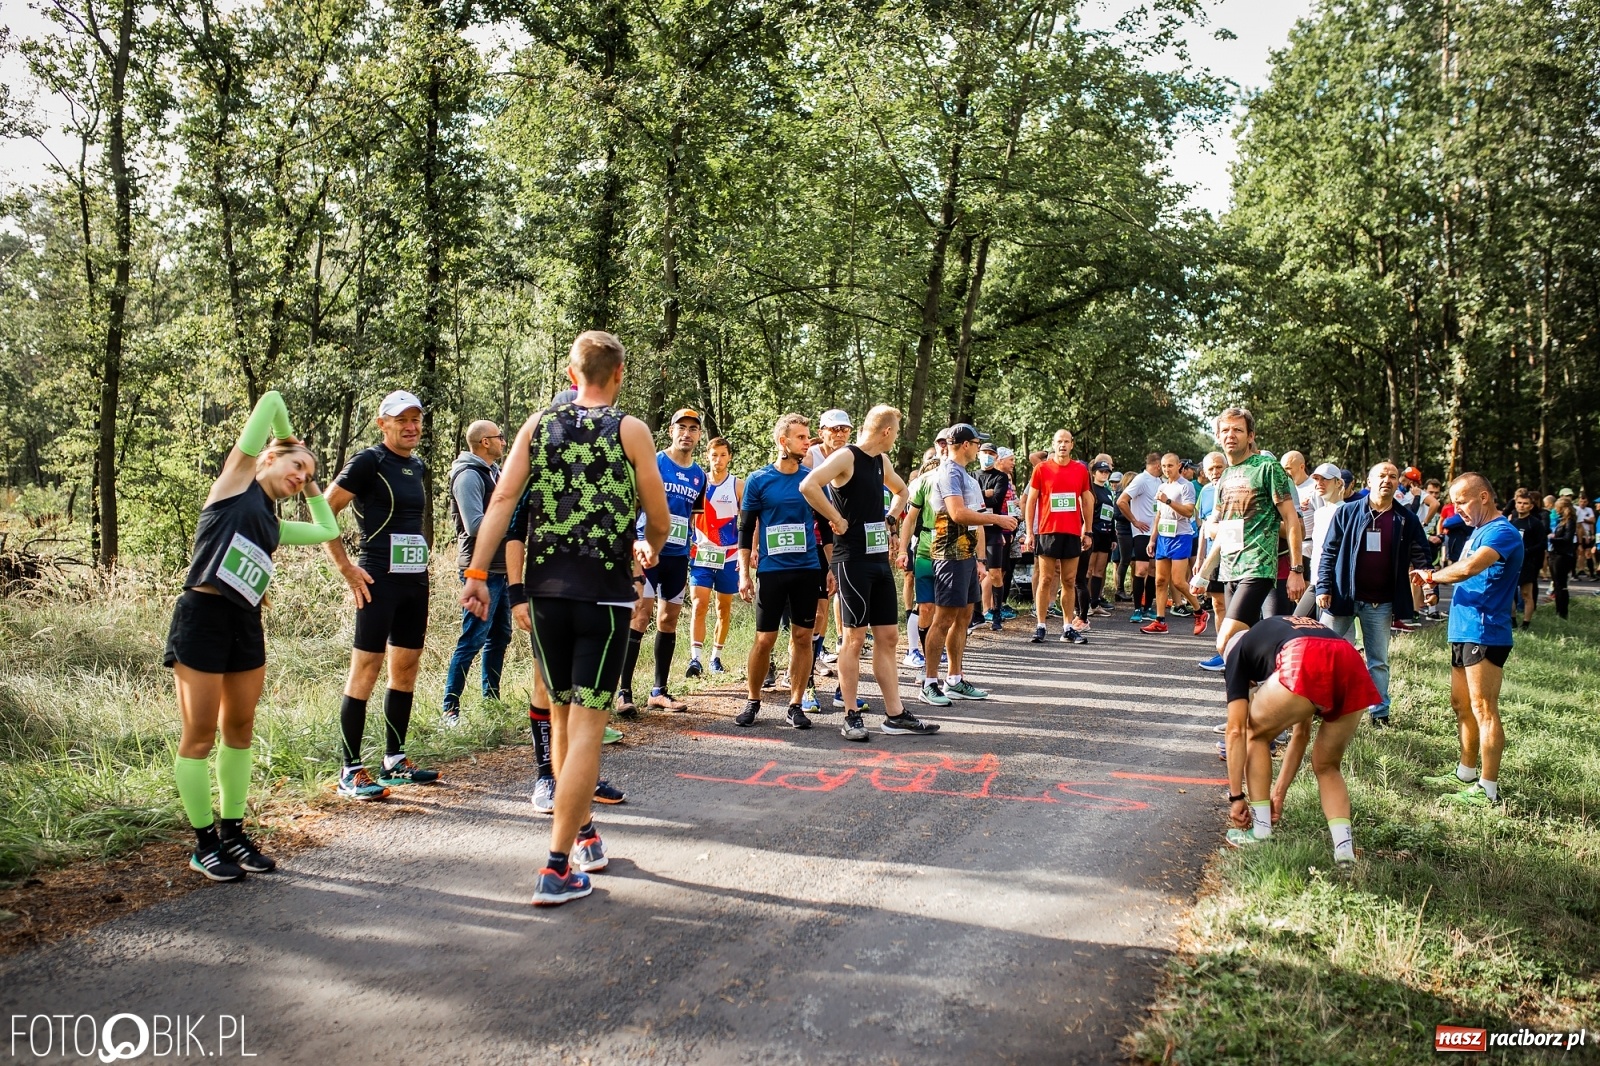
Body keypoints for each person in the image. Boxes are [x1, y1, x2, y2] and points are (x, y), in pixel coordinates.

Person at [462, 330, 670, 906]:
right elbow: (658, 515)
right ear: (619, 373)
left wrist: (478, 577)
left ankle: (582, 836)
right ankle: (556, 866)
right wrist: (647, 546)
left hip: (546, 594)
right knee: (588, 727)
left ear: (571, 373)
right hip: (603, 597)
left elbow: (503, 504)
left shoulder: (537, 425)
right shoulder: (630, 429)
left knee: (560, 713)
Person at [167, 392, 340, 880]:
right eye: (295, 467)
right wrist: (289, 439)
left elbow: (327, 528)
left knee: (239, 729)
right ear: (267, 458)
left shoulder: (274, 523)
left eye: (308, 473)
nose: (301, 475)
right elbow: (272, 400)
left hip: (245, 624)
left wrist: (308, 485)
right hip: (202, 616)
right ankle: (203, 845)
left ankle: (232, 834)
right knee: (200, 734)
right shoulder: (233, 485)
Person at [324, 390, 440, 800]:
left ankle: (394, 760)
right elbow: (325, 508)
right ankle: (350, 769)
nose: (411, 427)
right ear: (383, 423)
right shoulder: (368, 460)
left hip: (413, 581)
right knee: (366, 671)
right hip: (376, 579)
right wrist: (345, 567)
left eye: (416, 420)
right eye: (402, 420)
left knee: (405, 670)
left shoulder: (417, 465)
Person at [802, 405, 937, 739]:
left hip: (878, 560)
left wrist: (890, 518)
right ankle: (850, 715)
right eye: (897, 433)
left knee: (889, 637)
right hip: (852, 560)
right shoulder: (847, 456)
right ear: (887, 432)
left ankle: (895, 714)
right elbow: (809, 485)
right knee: (854, 637)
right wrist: (836, 517)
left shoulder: (881, 462)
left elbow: (903, 492)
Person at [1220, 615, 1382, 864]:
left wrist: (1236, 797)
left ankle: (1261, 831)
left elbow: (1235, 731)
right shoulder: (1275, 634)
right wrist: (1279, 794)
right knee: (1327, 766)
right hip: (1349, 660)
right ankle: (1344, 853)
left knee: (1256, 733)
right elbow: (1301, 733)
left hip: (1302, 656)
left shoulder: (1236, 654)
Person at [1412, 473, 1523, 807]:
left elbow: (1469, 568)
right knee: (1461, 705)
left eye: (1462, 500)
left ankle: (1488, 789)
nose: (1456, 508)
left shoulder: (1503, 532)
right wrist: (1434, 591)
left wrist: (1432, 575)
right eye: (1454, 501)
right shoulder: (1477, 531)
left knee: (1484, 708)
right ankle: (1465, 773)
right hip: (1463, 629)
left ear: (1484, 497)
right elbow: (1460, 574)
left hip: (1486, 630)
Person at [1315, 462, 1432, 728]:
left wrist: (1429, 584)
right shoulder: (1348, 512)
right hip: (1342, 596)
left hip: (1381, 603)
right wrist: (1324, 587)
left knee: (1378, 660)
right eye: (1381, 475)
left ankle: (1379, 713)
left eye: (1392, 476)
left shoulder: (1406, 519)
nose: (1387, 480)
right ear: (1369, 481)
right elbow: (1328, 553)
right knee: (1325, 652)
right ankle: (1320, 704)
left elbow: (1421, 554)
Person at [735, 414, 829, 729]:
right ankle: (753, 700)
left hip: (807, 568)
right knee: (765, 639)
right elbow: (745, 528)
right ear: (782, 442)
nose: (807, 442)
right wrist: (743, 573)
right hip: (772, 572)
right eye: (801, 437)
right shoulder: (758, 480)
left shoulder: (812, 480)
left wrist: (832, 568)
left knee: (803, 637)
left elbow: (827, 529)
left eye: (807, 437)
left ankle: (796, 703)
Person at [617, 409, 707, 715]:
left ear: (698, 435)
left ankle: (659, 692)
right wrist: (632, 550)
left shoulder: (699, 475)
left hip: (677, 558)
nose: (687, 433)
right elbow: (633, 507)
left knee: (668, 621)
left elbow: (693, 518)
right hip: (647, 555)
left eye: (693, 429)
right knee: (639, 618)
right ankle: (624, 693)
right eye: (681, 427)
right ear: (671, 431)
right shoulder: (654, 462)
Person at [920, 424, 1017, 705]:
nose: (980, 448)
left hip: (966, 556)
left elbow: (975, 515)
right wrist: (998, 519)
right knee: (943, 620)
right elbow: (958, 513)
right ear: (964, 445)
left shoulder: (966, 475)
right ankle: (929, 682)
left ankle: (954, 679)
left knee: (963, 618)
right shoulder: (950, 472)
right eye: (977, 443)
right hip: (948, 555)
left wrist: (980, 558)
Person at [1211, 408, 1305, 657]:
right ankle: (1253, 695)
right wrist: (1202, 570)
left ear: (1250, 436)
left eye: (1238, 430)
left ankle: (1262, 693)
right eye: (1225, 430)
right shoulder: (1225, 476)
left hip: (1259, 567)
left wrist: (1297, 570)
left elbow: (1292, 519)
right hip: (1230, 568)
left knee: (1225, 641)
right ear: (1218, 437)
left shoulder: (1267, 467)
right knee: (1241, 648)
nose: (1231, 435)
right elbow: (1219, 526)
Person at [441, 420, 511, 727]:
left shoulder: (492, 472)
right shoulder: (469, 475)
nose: (503, 442)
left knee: (500, 636)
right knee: (473, 639)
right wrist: (513, 526)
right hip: (479, 570)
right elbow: (475, 526)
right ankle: (450, 709)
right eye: (499, 437)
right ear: (485, 442)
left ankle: (491, 701)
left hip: (501, 569)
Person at [1022, 430, 1092, 644]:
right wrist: (1029, 532)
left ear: (1072, 445)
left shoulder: (1080, 470)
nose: (1063, 445)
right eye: (1059, 441)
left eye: (1066, 441)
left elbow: (1087, 500)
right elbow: (1031, 501)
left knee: (1069, 580)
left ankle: (1067, 627)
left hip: (1071, 532)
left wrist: (1087, 530)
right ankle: (1041, 625)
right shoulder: (1041, 469)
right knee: (1045, 579)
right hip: (1047, 531)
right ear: (1053, 444)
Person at [686, 437, 742, 677]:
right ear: (707, 456)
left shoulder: (738, 485)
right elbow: (687, 514)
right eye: (713, 455)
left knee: (723, 608)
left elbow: (750, 520)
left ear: (729, 457)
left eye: (722, 455)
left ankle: (715, 658)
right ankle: (695, 659)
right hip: (701, 554)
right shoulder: (699, 484)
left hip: (729, 556)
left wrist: (750, 550)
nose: (717, 460)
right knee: (699, 605)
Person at [1140, 453, 1204, 635]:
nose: (1167, 469)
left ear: (1178, 466)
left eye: (1170, 466)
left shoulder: (1186, 486)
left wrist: (1168, 500)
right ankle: (1160, 621)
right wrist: (1152, 539)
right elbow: (1158, 515)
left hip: (1181, 536)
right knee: (1160, 580)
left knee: (1178, 581)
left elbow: (1189, 512)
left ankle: (1199, 611)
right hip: (1163, 537)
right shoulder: (1162, 486)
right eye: (1164, 466)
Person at [1117, 453, 1164, 624]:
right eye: (1163, 465)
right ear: (1158, 465)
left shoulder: (1160, 482)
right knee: (1141, 569)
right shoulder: (1141, 479)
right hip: (1142, 533)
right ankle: (1137, 608)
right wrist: (1135, 521)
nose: (1165, 469)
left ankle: (1148, 607)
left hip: (1157, 532)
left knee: (1153, 569)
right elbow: (1122, 501)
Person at [1193, 451, 1229, 669]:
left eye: (1219, 467)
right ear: (1204, 472)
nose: (1215, 472)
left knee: (1238, 605)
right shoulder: (1206, 492)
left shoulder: (1235, 486)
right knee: (1218, 604)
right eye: (1211, 469)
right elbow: (1204, 526)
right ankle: (1223, 652)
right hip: (1212, 556)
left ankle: (1241, 652)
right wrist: (1200, 559)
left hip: (1235, 552)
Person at [976, 442, 1014, 630]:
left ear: (996, 457)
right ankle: (977, 613)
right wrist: (985, 494)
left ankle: (996, 611)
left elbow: (997, 500)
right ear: (978, 454)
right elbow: (968, 500)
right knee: (974, 573)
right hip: (974, 529)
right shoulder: (971, 475)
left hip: (993, 531)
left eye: (991, 453)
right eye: (984, 453)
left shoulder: (1001, 477)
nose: (987, 456)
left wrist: (979, 496)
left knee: (996, 572)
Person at [1508, 488, 1547, 630]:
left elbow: (1542, 543)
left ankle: (1525, 623)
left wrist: (1527, 551)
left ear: (1531, 506)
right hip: (1512, 563)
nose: (1522, 505)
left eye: (1525, 503)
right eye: (1519, 503)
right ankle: (1512, 620)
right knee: (1510, 593)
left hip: (1528, 563)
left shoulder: (1535, 523)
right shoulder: (1512, 523)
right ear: (1515, 504)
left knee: (1526, 594)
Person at [1086, 460, 1117, 616]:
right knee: (1088, 570)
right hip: (1094, 532)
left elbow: (1110, 515)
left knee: (1099, 570)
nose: (1104, 474)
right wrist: (1087, 532)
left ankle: (1095, 602)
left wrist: (1113, 537)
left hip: (1106, 533)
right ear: (1093, 473)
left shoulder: (1108, 491)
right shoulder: (1090, 489)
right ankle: (1083, 605)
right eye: (1101, 471)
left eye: (1106, 472)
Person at [1547, 497, 1578, 618]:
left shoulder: (1570, 521)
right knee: (1556, 584)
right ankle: (1558, 610)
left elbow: (1567, 539)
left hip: (1563, 556)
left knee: (1561, 584)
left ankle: (1562, 612)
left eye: (1557, 507)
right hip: (1555, 554)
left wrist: (1552, 539)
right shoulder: (1562, 521)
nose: (1555, 509)